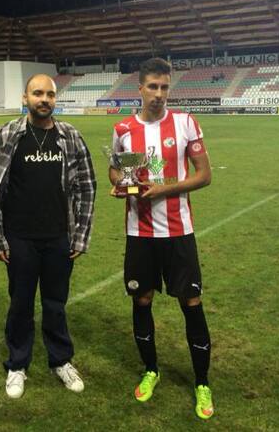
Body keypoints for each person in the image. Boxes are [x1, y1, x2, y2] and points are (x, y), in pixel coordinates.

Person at [108, 58, 214, 419]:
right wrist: (120, 185)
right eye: (152, 86)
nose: (158, 94)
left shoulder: (185, 123)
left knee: (191, 302)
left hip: (178, 231)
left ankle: (202, 383)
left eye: (164, 87)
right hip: (139, 233)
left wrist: (164, 189)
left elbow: (204, 176)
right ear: (139, 88)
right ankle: (151, 370)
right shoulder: (123, 128)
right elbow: (116, 170)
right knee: (142, 299)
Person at [0, 73, 96, 399]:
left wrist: (80, 235)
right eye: (37, 93)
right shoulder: (6, 135)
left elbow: (87, 187)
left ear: (55, 99)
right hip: (19, 238)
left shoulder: (70, 136)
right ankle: (17, 364)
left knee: (55, 304)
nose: (44, 99)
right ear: (25, 98)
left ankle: (61, 360)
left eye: (49, 94)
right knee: (20, 304)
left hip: (59, 237)